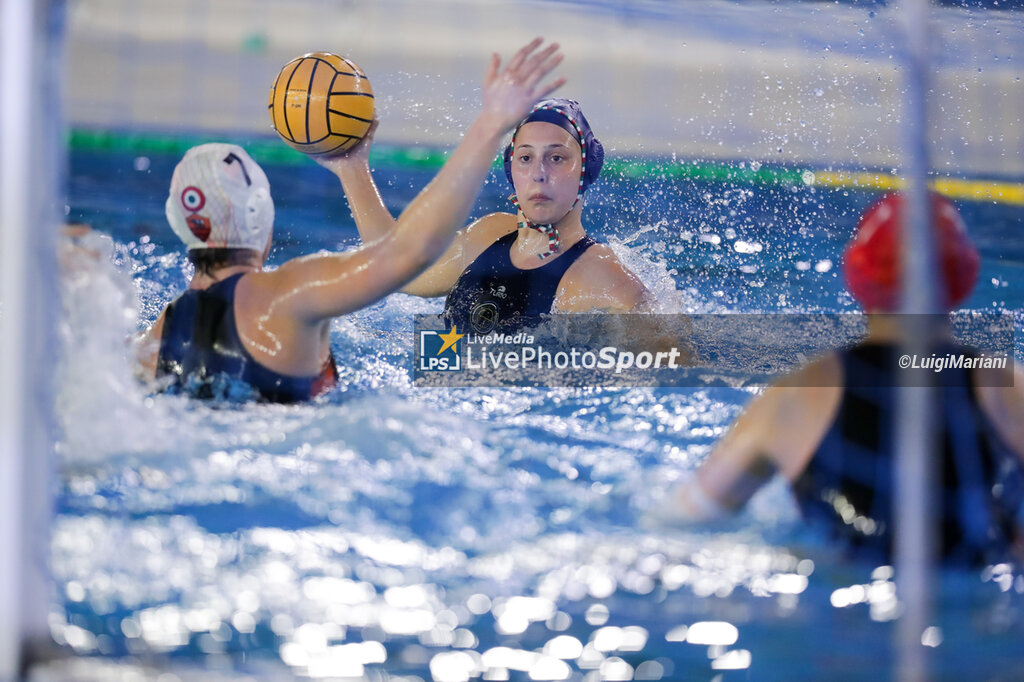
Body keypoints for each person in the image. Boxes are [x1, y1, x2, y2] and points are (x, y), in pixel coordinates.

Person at [134, 39, 566, 402]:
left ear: (181, 225)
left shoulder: (151, 342)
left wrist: (351, 166)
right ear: (261, 220)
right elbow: (410, 253)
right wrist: (490, 125)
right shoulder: (292, 292)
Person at [649, 192, 1024, 565]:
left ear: (857, 276)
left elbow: (685, 518)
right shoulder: (1006, 388)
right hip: (981, 593)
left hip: (842, 601)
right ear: (964, 277)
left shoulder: (800, 392)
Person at [318, 93, 654, 335]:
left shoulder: (606, 280)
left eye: (556, 158)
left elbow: (676, 363)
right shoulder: (488, 237)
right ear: (511, 169)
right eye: (525, 158)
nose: (538, 173)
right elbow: (397, 269)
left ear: (587, 169)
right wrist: (352, 168)